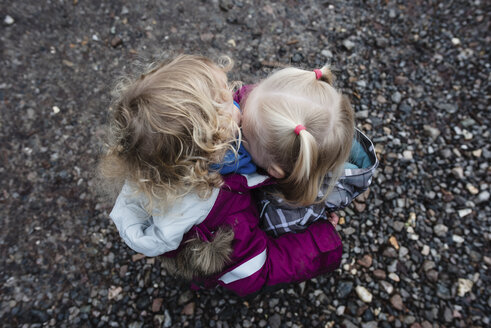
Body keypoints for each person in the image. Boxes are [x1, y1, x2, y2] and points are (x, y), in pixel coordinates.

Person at [99, 54, 342, 297]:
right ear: (212, 148)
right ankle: (202, 284)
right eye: (226, 103)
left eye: (226, 90)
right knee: (210, 269)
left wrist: (273, 108)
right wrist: (319, 242)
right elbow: (257, 272)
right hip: (213, 251)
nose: (238, 100)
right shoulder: (225, 221)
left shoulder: (174, 151)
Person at [231, 66, 378, 236]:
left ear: (275, 171)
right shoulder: (325, 130)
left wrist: (321, 237)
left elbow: (275, 253)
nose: (237, 128)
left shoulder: (285, 219)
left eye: (243, 134)